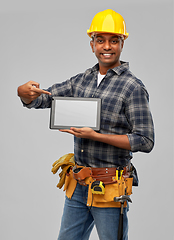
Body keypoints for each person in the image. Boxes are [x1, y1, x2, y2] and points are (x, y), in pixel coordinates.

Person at [17, 9, 154, 240]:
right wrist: (24, 94)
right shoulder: (82, 80)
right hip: (78, 186)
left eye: (114, 40)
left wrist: (96, 135)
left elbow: (145, 140)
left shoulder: (133, 88)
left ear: (122, 44)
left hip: (110, 188)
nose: (107, 46)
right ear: (92, 44)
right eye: (100, 40)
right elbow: (45, 98)